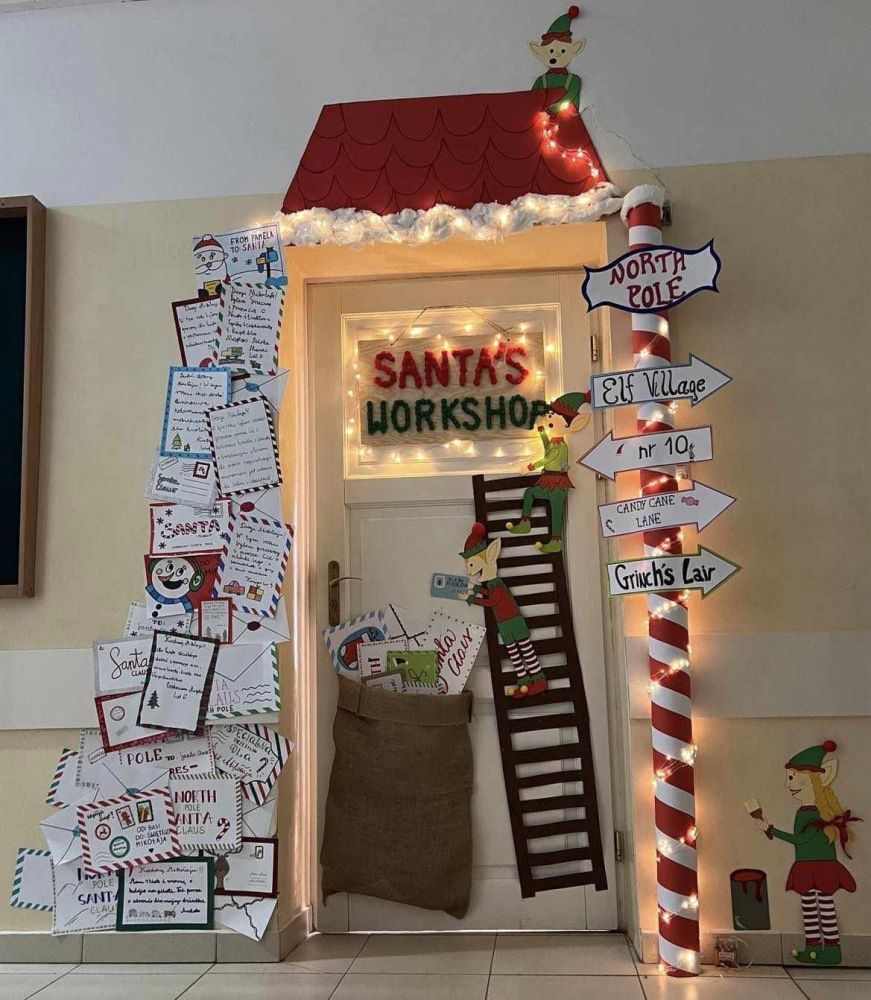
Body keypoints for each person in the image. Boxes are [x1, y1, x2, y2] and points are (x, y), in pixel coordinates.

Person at [751, 740, 860, 966]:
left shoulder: (814, 814)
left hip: (820, 866)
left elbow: (800, 839)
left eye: (792, 777)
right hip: (806, 865)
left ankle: (832, 950)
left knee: (824, 907)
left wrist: (770, 830)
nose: (787, 783)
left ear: (814, 780)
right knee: (810, 907)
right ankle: (813, 948)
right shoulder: (804, 812)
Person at [507, 391, 590, 554]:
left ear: (570, 426)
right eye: (549, 418)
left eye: (552, 419)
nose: (549, 420)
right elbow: (548, 451)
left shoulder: (561, 446)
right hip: (550, 481)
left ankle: (556, 541)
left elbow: (547, 459)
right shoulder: (554, 443)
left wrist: (529, 467)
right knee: (530, 493)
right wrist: (541, 432)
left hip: (558, 484)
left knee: (556, 513)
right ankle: (525, 523)